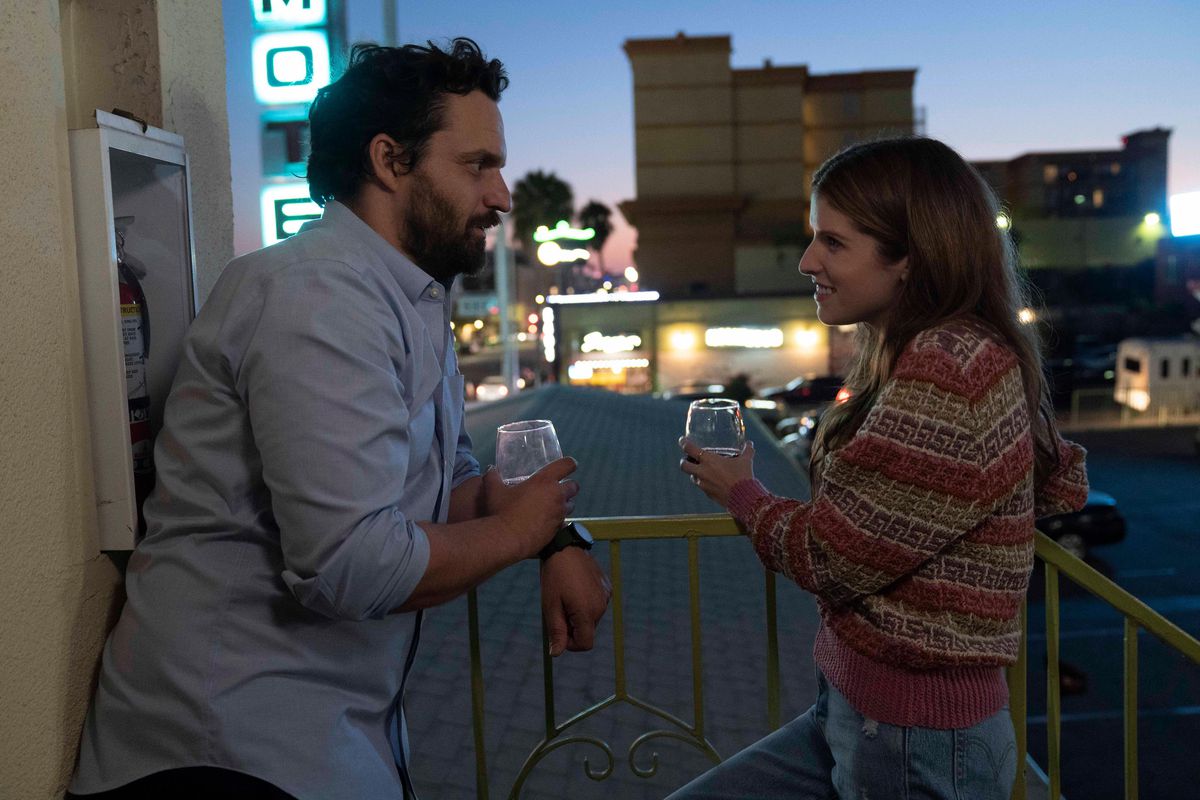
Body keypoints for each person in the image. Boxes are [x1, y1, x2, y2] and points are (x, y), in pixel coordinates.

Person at [70, 39, 609, 800]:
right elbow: (351, 567)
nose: (501, 195)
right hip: (221, 749)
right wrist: (523, 533)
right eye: (477, 165)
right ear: (390, 160)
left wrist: (554, 536)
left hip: (325, 742)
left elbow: (446, 484)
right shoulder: (316, 296)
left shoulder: (406, 296)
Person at [674, 137, 1088, 799]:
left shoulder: (950, 369)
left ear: (909, 259)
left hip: (916, 740)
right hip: (861, 710)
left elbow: (836, 558)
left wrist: (743, 494)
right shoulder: (913, 352)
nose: (808, 260)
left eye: (834, 243)